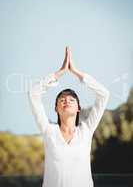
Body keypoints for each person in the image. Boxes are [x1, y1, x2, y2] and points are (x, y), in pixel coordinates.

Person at [28, 47, 110, 187]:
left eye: (71, 100)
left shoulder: (86, 130)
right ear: (56, 108)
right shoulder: (49, 131)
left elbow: (104, 94)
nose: (66, 101)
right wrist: (60, 72)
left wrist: (76, 73)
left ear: (78, 108)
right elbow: (33, 94)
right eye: (61, 99)